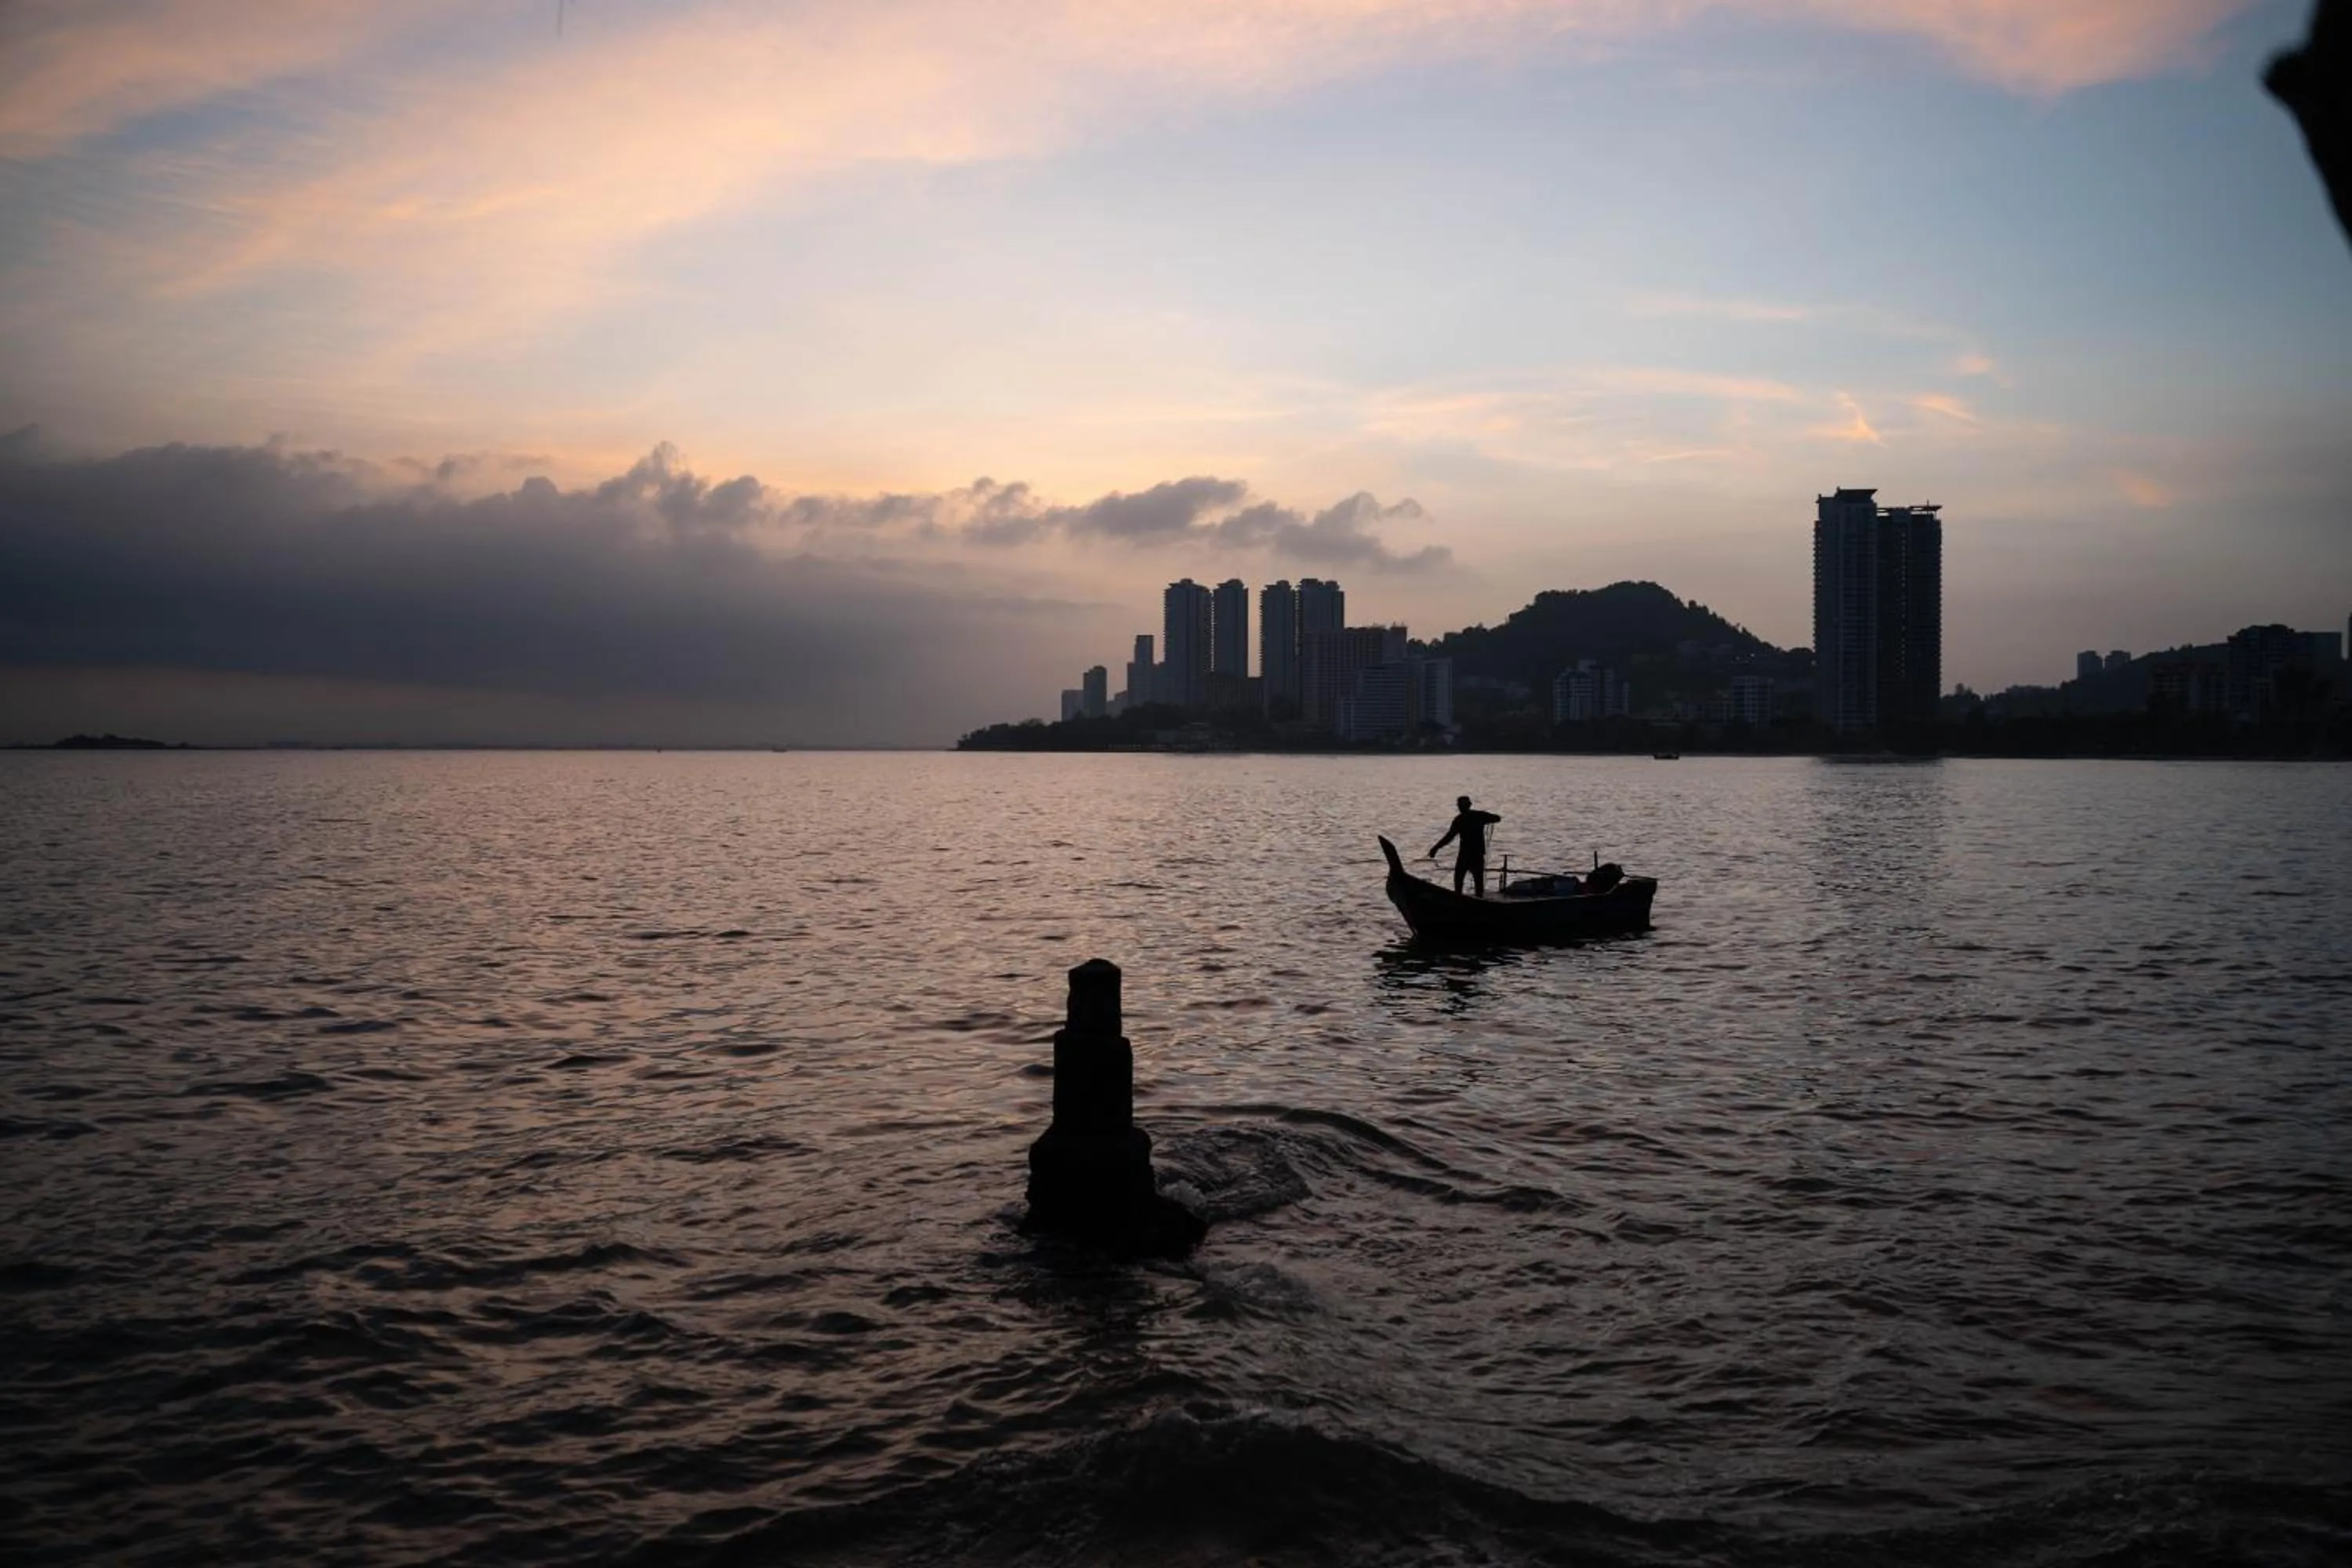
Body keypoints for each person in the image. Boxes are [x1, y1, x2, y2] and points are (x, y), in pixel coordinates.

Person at [1428, 795, 1502, 897]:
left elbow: (1449, 837)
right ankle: (1478, 899)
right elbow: (1497, 818)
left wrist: (1435, 849)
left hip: (1467, 854)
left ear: (1460, 807)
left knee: (1460, 879)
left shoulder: (1460, 819)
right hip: (1475, 854)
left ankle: (1461, 899)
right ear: (1469, 805)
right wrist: (1435, 848)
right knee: (1476, 881)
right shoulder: (1479, 816)